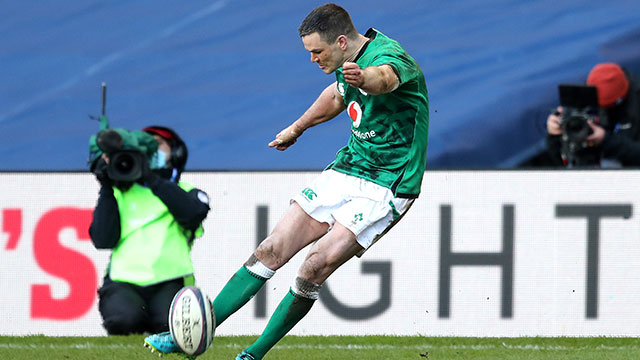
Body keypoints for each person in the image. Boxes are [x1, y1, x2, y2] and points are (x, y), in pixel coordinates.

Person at [144, 3, 429, 359]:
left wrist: (364, 79)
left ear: (341, 41)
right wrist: (297, 128)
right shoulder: (344, 61)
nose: (312, 60)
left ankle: (255, 352)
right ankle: (202, 328)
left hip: (390, 181)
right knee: (270, 250)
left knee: (314, 266)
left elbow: (385, 79)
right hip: (349, 168)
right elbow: (337, 95)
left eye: (316, 52)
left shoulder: (388, 56)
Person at [90, 125, 210, 335]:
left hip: (171, 281)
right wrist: (106, 187)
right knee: (123, 321)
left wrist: (152, 179)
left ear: (176, 152)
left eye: (158, 145)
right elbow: (102, 240)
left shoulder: (187, 192)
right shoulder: (118, 195)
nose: (151, 152)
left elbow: (191, 215)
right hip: (123, 282)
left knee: (171, 329)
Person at [546, 62, 640, 167]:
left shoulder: (635, 105)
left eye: (607, 107)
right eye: (598, 106)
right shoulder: (578, 102)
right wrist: (553, 135)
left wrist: (605, 140)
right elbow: (555, 163)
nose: (602, 111)